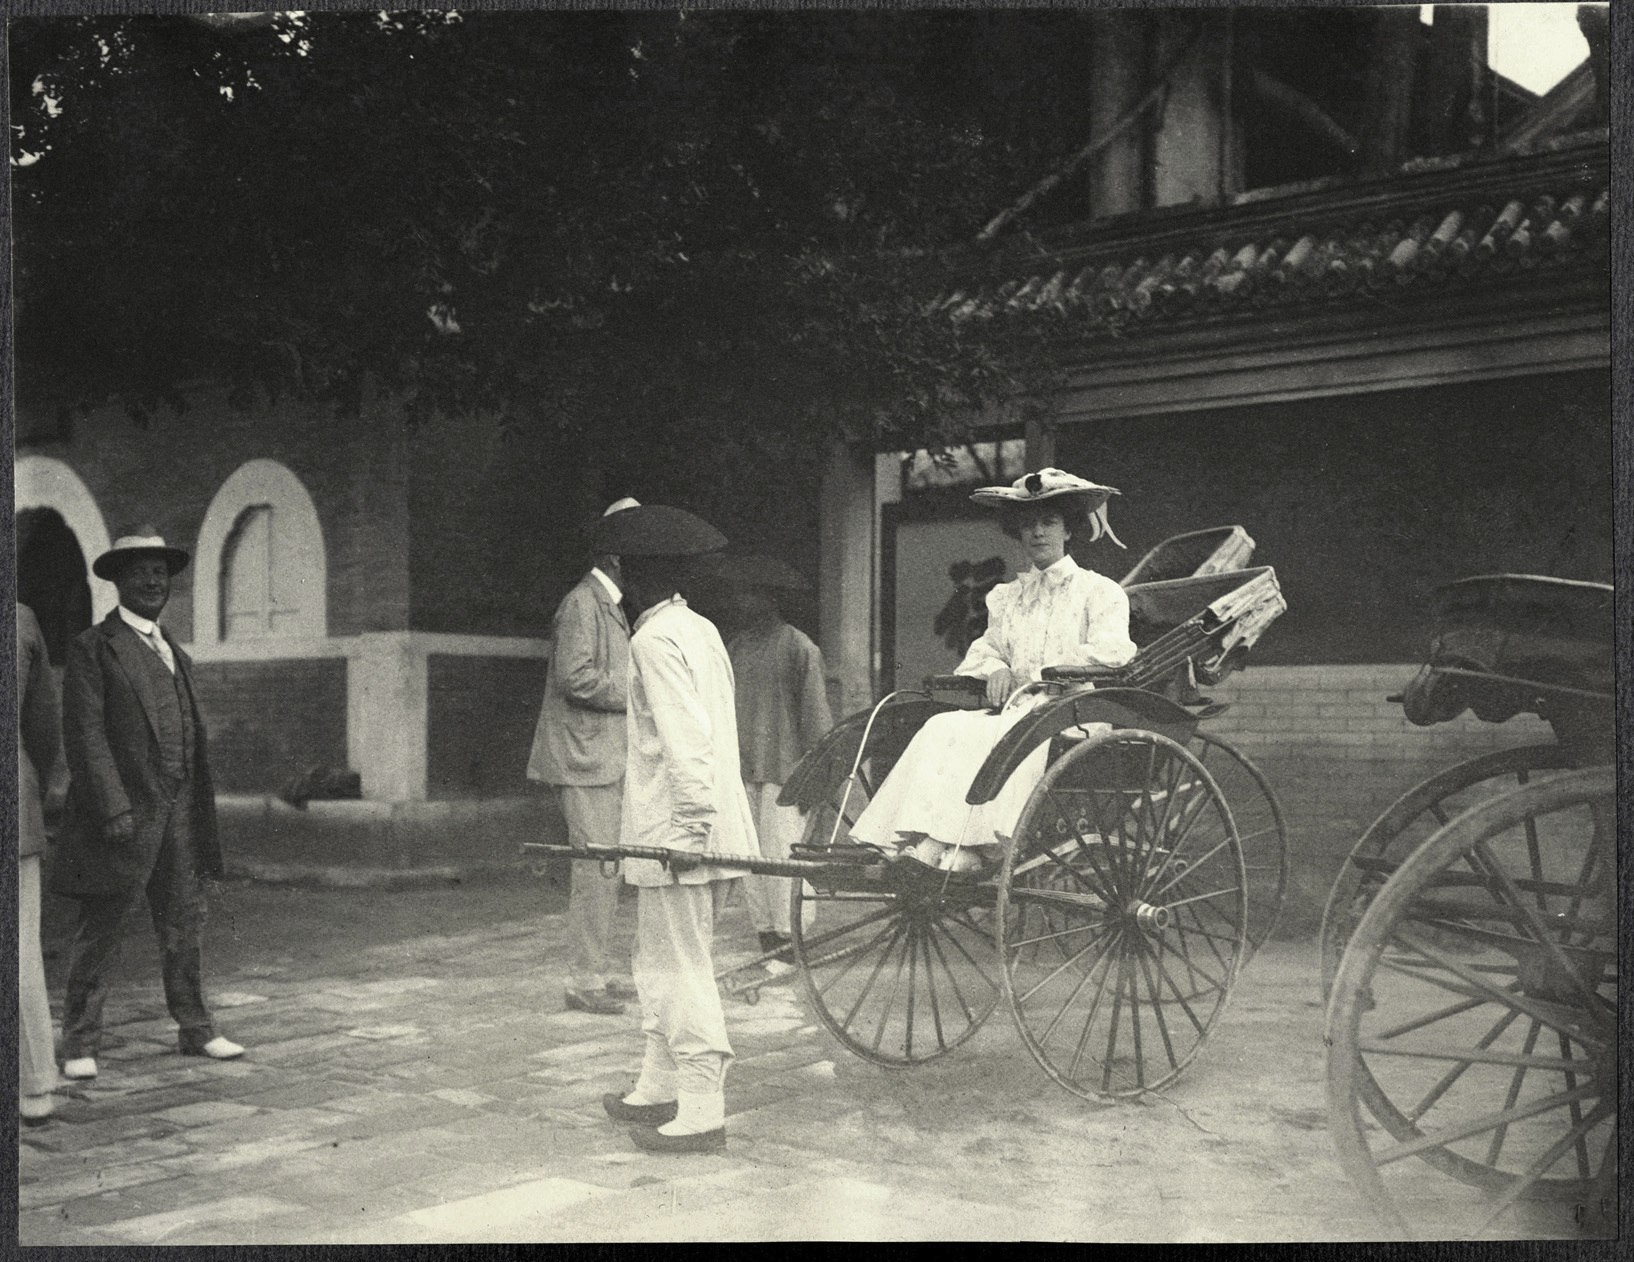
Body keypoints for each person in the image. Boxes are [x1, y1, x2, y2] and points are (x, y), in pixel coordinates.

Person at [851, 469, 1138, 873]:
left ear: (1069, 531)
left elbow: (1112, 652)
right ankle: (918, 839)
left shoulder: (1099, 591)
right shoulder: (1007, 596)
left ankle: (980, 850)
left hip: (1075, 712)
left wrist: (1042, 673)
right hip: (1017, 710)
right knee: (944, 728)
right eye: (1028, 525)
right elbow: (986, 649)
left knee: (1005, 734)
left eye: (1048, 522)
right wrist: (996, 668)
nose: (1037, 533)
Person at [595, 504, 759, 1155]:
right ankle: (656, 1086)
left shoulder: (653, 640)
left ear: (636, 576)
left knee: (678, 967)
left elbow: (689, 743)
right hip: (705, 826)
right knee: (658, 962)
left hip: (683, 834)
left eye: (622, 572)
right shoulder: (699, 628)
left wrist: (688, 835)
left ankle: (701, 1107)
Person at [53, 526, 244, 1080]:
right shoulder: (94, 648)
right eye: (141, 569)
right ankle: (79, 1042)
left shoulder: (175, 652)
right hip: (125, 817)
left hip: (180, 815)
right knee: (104, 924)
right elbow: (85, 736)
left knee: (185, 921)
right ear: (117, 580)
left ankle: (196, 1028)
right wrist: (113, 806)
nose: (154, 579)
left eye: (161, 570)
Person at [526, 496, 643, 1016]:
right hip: (583, 759)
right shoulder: (582, 603)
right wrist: (636, 690)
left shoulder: (609, 606)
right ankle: (583, 979)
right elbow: (576, 678)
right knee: (596, 870)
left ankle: (594, 970)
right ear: (616, 554)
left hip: (599, 757)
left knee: (606, 869)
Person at [721, 555, 832, 968]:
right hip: (742, 767)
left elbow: (817, 718)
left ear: (770, 597)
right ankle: (767, 937)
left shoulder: (799, 647)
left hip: (785, 770)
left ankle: (790, 940)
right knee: (750, 862)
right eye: (739, 592)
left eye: (750, 592)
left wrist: (814, 779)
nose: (741, 600)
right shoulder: (735, 648)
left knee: (783, 857)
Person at [18, 604, 65, 1125]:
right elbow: (44, 728)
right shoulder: (22, 619)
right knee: (21, 948)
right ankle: (34, 1086)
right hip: (14, 802)